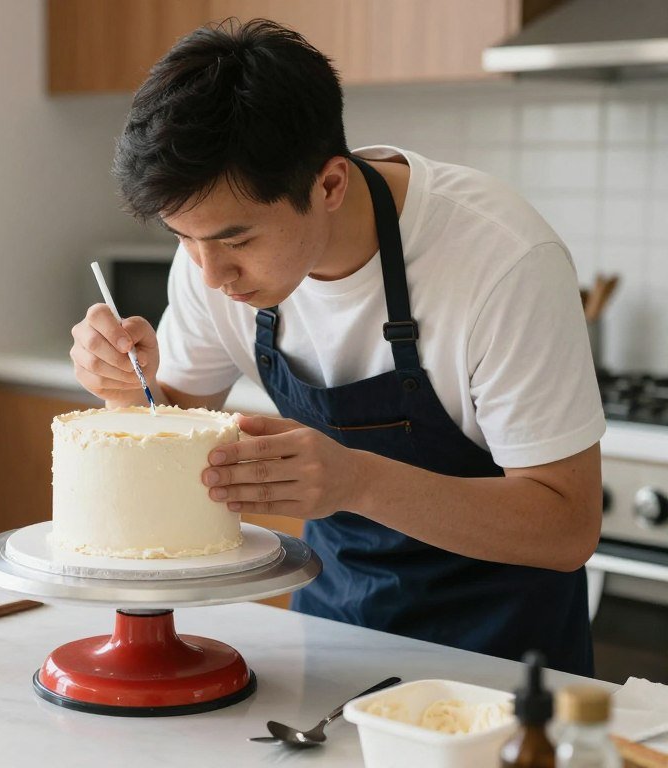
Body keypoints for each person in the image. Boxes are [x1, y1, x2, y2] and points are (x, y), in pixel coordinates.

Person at [69, 19, 604, 675]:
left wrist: (355, 479)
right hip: (332, 637)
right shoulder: (211, 267)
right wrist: (126, 384)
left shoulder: (500, 260)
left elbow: (566, 528)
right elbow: (175, 417)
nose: (210, 275)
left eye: (236, 241)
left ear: (328, 186)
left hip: (503, 665)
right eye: (184, 238)